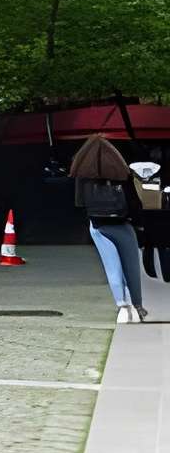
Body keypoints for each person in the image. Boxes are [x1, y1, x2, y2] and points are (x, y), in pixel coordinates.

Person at [72, 135, 148, 324]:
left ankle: (122, 307)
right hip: (122, 223)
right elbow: (134, 202)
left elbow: (79, 202)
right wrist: (139, 223)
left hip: (98, 225)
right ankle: (137, 307)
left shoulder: (83, 173)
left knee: (112, 266)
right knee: (131, 266)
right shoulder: (122, 172)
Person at [134, 159, 165, 283]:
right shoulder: (141, 183)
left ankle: (152, 272)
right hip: (148, 216)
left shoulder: (147, 183)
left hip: (151, 217)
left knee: (150, 245)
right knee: (149, 246)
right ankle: (151, 272)